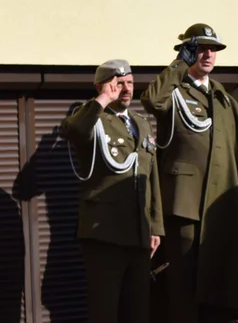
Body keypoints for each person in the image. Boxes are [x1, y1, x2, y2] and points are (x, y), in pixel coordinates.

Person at [140, 24, 238, 323]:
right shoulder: (175, 92)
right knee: (183, 285)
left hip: (219, 204)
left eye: (213, 49)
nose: (208, 54)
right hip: (185, 204)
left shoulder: (224, 99)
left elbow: (235, 156)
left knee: (219, 282)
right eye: (200, 48)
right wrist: (180, 63)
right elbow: (152, 100)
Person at [62, 59, 163, 323]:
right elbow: (72, 131)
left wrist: (156, 227)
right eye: (119, 83)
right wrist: (103, 99)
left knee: (139, 310)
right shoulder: (92, 117)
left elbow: (151, 177)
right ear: (103, 86)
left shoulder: (142, 123)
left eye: (130, 82)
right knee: (105, 310)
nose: (127, 89)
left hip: (139, 235)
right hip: (104, 234)